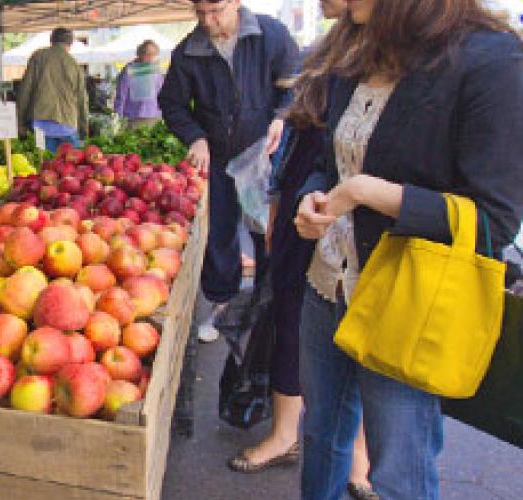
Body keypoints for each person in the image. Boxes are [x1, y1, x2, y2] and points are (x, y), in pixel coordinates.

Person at [290, 0, 523, 498]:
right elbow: (332, 166)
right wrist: (313, 197)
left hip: (407, 301)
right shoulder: (363, 52)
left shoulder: (489, 60)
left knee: (399, 470)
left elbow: (494, 221)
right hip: (328, 280)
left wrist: (369, 193)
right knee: (320, 438)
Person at [228, 3, 375, 499]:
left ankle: (360, 458)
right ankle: (285, 434)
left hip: (374, 222)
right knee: (292, 318)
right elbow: (300, 132)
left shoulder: (408, 53)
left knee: (370, 341)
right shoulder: (327, 49)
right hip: (305, 208)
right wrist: (276, 201)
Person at [158, 0, 299, 342]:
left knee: (266, 232)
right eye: (201, 12)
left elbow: (296, 86)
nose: (208, 21)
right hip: (219, 159)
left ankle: (268, 308)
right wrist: (195, 137)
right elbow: (172, 104)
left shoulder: (270, 35)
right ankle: (221, 305)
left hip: (266, 155)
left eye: (216, 11)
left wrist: (282, 118)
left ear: (235, 2)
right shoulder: (188, 52)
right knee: (220, 233)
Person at [17, 27, 89, 154]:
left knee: (43, 167)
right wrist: (84, 129)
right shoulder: (74, 65)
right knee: (71, 170)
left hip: (41, 124)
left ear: (51, 40)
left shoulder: (38, 57)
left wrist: (20, 122)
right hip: (68, 125)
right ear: (71, 43)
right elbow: (82, 100)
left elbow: (25, 91)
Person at [114, 40, 164, 128]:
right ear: (140, 53)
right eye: (147, 54)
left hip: (154, 115)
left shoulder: (156, 70)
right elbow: (121, 93)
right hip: (134, 116)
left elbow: (161, 91)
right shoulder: (130, 69)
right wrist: (118, 115)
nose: (150, 57)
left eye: (153, 54)